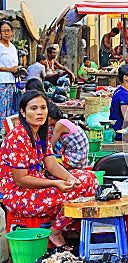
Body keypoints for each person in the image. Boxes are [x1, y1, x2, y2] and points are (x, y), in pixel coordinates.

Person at [0, 90, 98, 249]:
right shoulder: (18, 137)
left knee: (88, 179)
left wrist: (69, 178)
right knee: (80, 187)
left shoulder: (40, 134)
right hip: (18, 195)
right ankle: (57, 230)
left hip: (38, 187)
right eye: (33, 109)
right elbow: (20, 179)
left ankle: (65, 227)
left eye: (43, 108)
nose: (40, 112)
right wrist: (55, 184)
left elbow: (51, 163)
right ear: (23, 113)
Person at [47, 102, 89, 169]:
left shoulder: (60, 124)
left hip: (76, 159)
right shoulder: (63, 121)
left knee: (46, 162)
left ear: (48, 118)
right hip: (81, 157)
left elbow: (51, 146)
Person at [0, 20, 20, 131]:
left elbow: (14, 64)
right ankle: (1, 131)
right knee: (2, 108)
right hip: (2, 81)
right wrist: (9, 69)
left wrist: (17, 70)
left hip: (12, 81)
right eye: (3, 31)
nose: (6, 33)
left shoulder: (12, 47)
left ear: (12, 32)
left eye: (8, 30)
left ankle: (8, 132)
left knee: (11, 108)